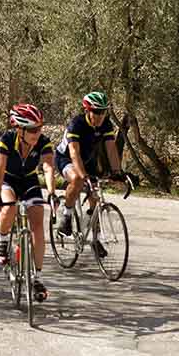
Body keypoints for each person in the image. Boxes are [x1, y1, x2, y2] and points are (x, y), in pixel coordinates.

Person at [0, 103, 56, 303]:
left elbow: (47, 167)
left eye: (39, 128)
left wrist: (52, 192)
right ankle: (2, 242)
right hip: (9, 180)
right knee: (9, 207)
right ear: (19, 129)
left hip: (29, 182)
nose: (37, 133)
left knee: (38, 222)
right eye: (32, 130)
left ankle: (36, 277)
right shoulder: (6, 140)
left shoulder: (43, 142)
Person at [53, 91, 124, 243]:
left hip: (88, 160)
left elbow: (111, 148)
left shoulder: (106, 124)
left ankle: (95, 239)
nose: (99, 116)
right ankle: (66, 216)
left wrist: (117, 172)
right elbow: (74, 152)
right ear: (87, 110)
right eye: (96, 112)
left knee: (96, 197)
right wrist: (84, 176)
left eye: (103, 112)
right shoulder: (77, 124)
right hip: (66, 158)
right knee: (78, 179)